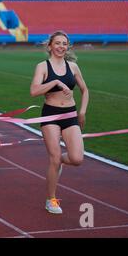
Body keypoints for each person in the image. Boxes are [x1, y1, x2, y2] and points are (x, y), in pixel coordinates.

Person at [30, 30, 89, 214]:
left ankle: (60, 162)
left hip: (70, 114)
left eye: (64, 43)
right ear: (50, 46)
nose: (61, 46)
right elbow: (34, 91)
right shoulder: (43, 66)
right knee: (54, 158)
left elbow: (85, 90)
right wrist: (55, 81)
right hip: (51, 115)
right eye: (57, 43)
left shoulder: (73, 67)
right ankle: (51, 200)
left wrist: (82, 112)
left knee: (77, 158)